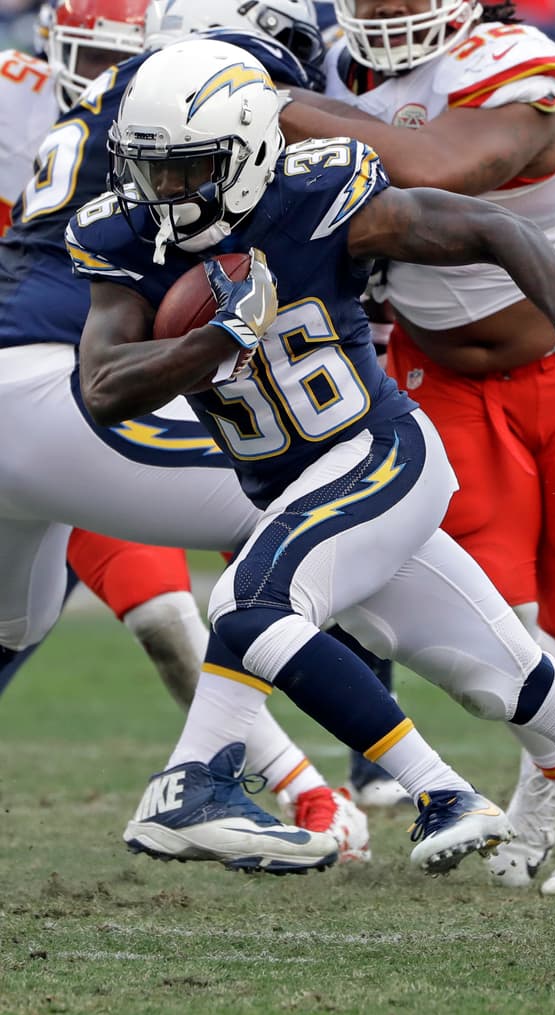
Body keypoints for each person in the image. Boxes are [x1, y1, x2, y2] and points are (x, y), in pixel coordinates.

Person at [72, 38, 555, 941]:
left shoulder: (317, 198)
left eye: (188, 170)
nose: (165, 191)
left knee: (247, 605)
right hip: (301, 489)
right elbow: (104, 388)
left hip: (381, 457)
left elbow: (498, 230)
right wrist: (214, 341)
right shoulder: (125, 234)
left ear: (252, 152)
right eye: (148, 167)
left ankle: (245, 785)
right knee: (528, 686)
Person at [260, 0, 555, 896]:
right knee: (499, 623)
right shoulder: (333, 67)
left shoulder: (517, 60)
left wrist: (282, 103)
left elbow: (443, 165)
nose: (388, 9)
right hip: (437, 375)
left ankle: (542, 796)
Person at [0, 0, 370, 861]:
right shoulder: (39, 97)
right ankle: (407, 784)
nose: (95, 78)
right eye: (82, 56)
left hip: (78, 384)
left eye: (111, 58)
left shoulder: (159, 112)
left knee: (88, 618)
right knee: (304, 519)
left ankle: (343, 788)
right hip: (49, 389)